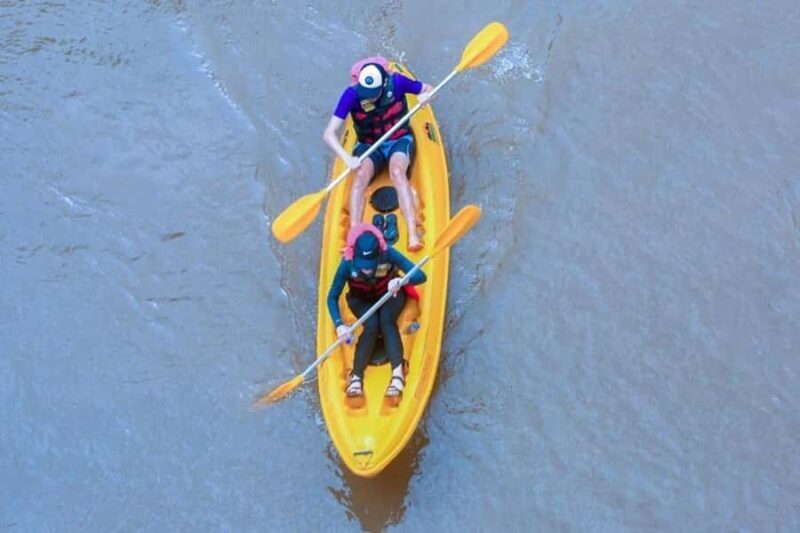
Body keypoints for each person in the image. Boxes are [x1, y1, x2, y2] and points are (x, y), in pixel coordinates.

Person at [323, 57, 433, 252]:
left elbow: (427, 88)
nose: (370, 98)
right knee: (359, 179)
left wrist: (425, 97)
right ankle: (353, 239)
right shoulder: (351, 95)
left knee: (397, 173)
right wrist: (347, 158)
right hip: (369, 145)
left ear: (384, 83)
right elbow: (329, 134)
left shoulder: (397, 83)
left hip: (398, 139)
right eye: (366, 94)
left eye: (373, 94)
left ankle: (413, 236)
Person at [327, 223, 426, 402]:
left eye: (370, 265)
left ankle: (397, 373)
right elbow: (332, 297)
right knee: (371, 324)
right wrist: (339, 325)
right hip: (361, 300)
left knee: (387, 321)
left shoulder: (387, 252)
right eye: (363, 265)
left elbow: (421, 276)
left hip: (389, 295)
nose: (367, 269)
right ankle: (356, 377)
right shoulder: (347, 263)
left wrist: (401, 281)